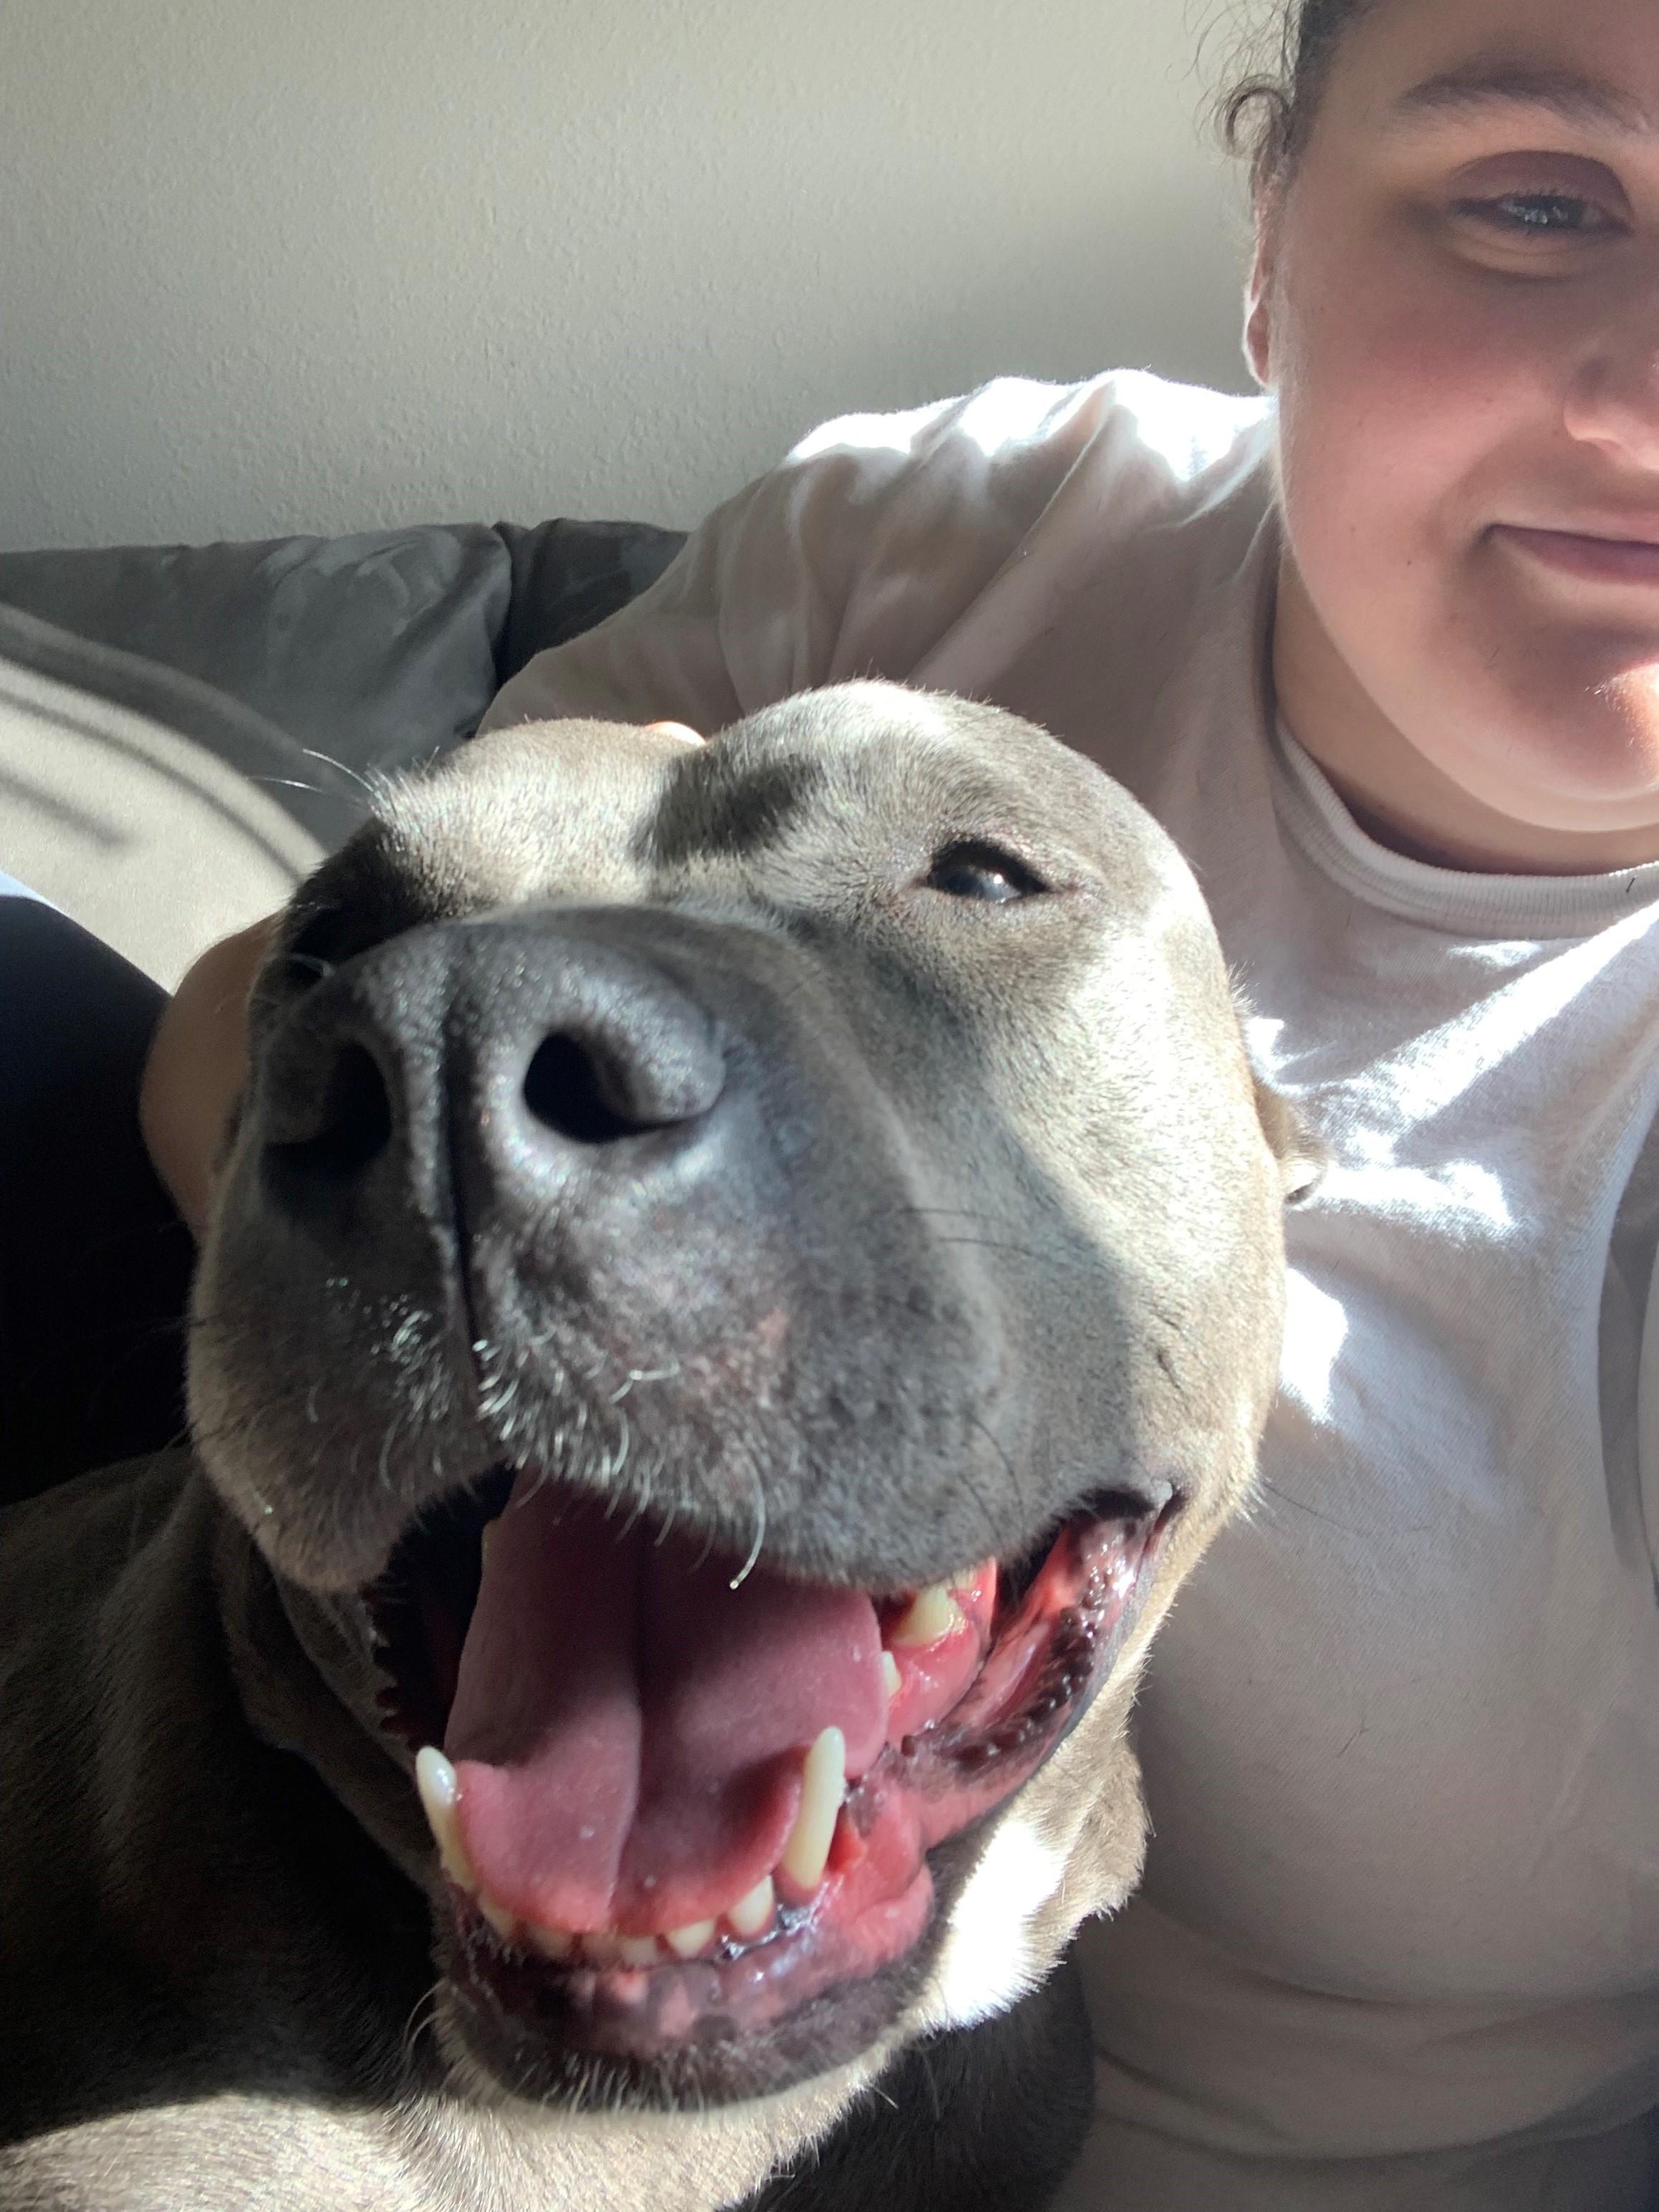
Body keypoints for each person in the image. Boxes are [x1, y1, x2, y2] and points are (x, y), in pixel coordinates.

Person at [138, 0, 1659, 2201]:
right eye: (1540, 198)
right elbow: (304, 1011)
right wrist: (499, 1274)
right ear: (1264, 245)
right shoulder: (950, 549)